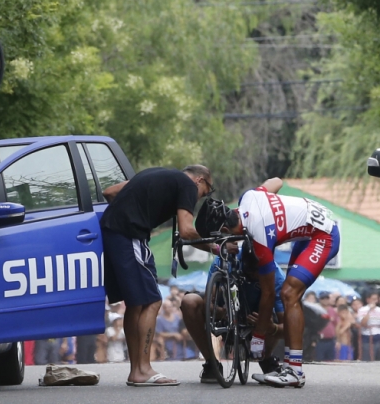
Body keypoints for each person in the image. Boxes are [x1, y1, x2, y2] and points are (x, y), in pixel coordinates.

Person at [200, 177, 340, 387]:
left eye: (221, 238)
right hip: (310, 228)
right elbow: (276, 181)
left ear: (227, 232)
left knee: (288, 294)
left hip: (324, 235)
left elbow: (267, 293)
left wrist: (259, 335)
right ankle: (290, 365)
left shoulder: (260, 238)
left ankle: (295, 372)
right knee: (292, 294)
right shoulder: (248, 197)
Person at [101, 164, 216, 386]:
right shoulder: (187, 185)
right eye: (206, 192)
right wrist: (215, 247)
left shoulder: (158, 175)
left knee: (136, 304)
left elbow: (110, 192)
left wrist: (126, 212)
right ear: (200, 180)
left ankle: (137, 371)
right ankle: (144, 368)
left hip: (113, 232)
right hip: (129, 234)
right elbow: (186, 230)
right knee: (152, 300)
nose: (200, 198)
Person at [181, 241, 286, 383]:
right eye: (250, 271)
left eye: (259, 273)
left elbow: (287, 328)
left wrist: (271, 328)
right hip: (225, 306)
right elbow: (208, 302)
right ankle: (211, 364)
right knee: (189, 302)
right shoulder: (225, 259)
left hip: (258, 314)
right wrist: (218, 311)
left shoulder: (277, 277)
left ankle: (266, 359)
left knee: (271, 319)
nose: (254, 276)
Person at [356, 292, 380, 361]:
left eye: (376, 299)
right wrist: (369, 311)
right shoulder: (362, 310)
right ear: (368, 300)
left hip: (378, 335)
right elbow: (363, 323)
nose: (375, 301)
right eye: (373, 299)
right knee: (367, 358)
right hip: (367, 336)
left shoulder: (379, 310)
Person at [315, 291, 338, 362]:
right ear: (319, 299)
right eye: (323, 298)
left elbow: (336, 325)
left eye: (327, 298)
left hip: (331, 340)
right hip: (319, 340)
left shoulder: (332, 310)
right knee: (319, 360)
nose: (325, 300)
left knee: (331, 360)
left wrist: (337, 340)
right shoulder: (316, 310)